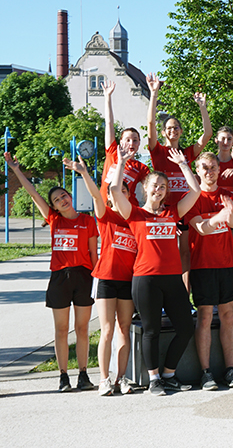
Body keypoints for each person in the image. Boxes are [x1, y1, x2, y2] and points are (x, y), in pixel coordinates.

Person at [109, 147, 201, 395]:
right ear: (144, 189)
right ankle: (154, 380)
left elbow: (196, 191)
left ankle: (169, 374)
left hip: (172, 279)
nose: (158, 189)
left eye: (163, 186)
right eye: (154, 185)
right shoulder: (135, 213)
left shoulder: (172, 213)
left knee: (185, 327)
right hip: (146, 279)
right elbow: (115, 191)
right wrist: (122, 163)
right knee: (152, 330)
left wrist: (184, 165)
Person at [5, 154, 98, 393]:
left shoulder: (88, 221)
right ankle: (63, 376)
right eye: (57, 200)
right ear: (54, 206)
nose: (62, 200)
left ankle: (84, 375)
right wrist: (16, 170)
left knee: (82, 328)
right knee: (60, 328)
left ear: (70, 196)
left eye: (63, 196)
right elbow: (33, 193)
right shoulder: (54, 219)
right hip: (59, 277)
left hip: (83, 276)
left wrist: (98, 278)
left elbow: (93, 254)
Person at [65, 156, 136, 396]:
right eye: (118, 190)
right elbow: (97, 195)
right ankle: (104, 379)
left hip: (128, 281)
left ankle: (122, 378)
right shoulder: (105, 215)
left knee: (124, 329)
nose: (121, 193)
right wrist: (85, 173)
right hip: (106, 278)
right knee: (107, 329)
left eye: (125, 190)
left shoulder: (134, 218)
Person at [146, 74, 212, 280]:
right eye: (168, 128)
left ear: (181, 131)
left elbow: (207, 135)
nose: (172, 130)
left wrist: (203, 107)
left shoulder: (187, 153)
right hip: (163, 212)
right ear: (164, 133)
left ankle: (185, 296)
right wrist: (154, 93)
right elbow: (150, 123)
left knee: (185, 254)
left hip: (184, 212)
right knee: (163, 254)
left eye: (176, 127)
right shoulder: (158, 152)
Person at [186, 152, 233, 391]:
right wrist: (221, 216)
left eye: (213, 167)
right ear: (197, 171)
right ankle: (206, 372)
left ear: (220, 170)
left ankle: (230, 370)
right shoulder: (193, 198)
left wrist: (229, 216)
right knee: (205, 317)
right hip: (203, 267)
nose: (209, 171)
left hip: (228, 264)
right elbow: (201, 228)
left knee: (229, 316)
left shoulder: (227, 195)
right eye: (204, 167)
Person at [99, 79, 149, 207]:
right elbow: (109, 124)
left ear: (138, 144)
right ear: (120, 142)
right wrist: (107, 97)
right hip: (106, 208)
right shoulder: (112, 153)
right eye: (127, 140)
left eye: (135, 140)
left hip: (128, 210)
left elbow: (150, 189)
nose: (131, 143)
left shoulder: (141, 168)